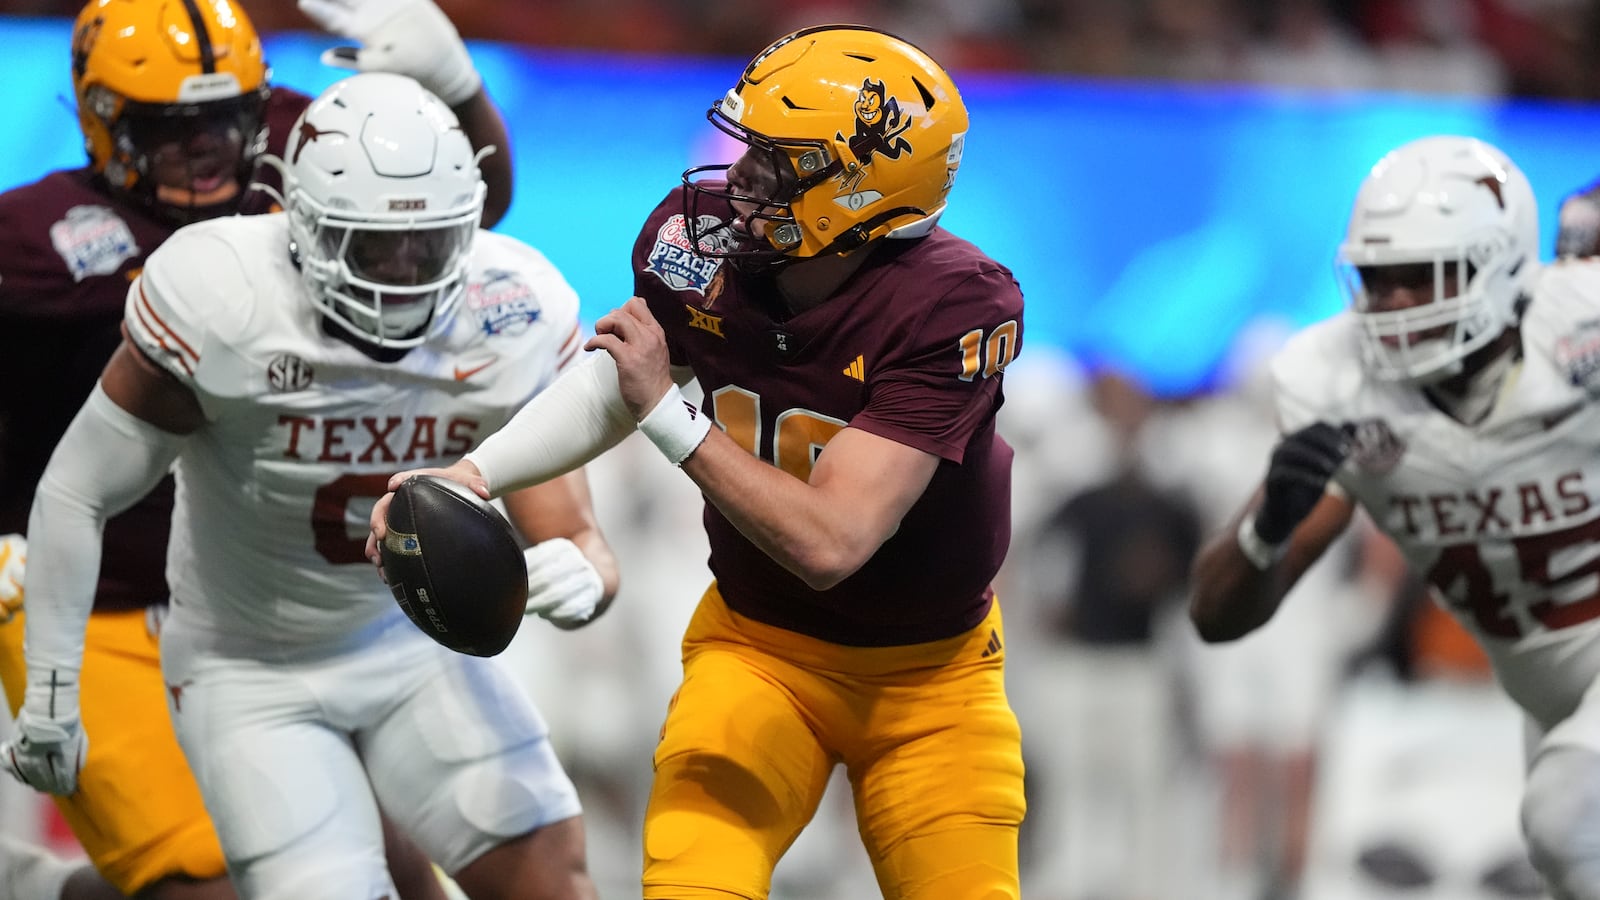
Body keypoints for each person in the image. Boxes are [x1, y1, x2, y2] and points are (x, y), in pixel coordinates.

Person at [369, 24, 1029, 899]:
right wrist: (477, 475)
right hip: (758, 651)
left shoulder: (953, 305)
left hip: (929, 682)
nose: (742, 176)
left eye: (780, 161)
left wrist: (670, 415)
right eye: (750, 145)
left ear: (865, 189)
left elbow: (832, 542)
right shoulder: (697, 238)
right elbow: (620, 380)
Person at [2, 70, 619, 900]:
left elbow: (577, 537)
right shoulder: (223, 296)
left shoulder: (514, 307)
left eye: (428, 242)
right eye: (374, 243)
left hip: (409, 646)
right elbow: (78, 490)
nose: (403, 269)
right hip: (250, 668)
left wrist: (583, 574)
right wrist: (50, 692)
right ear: (302, 224)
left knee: (552, 880)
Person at [1189, 133, 1600, 899]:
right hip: (1549, 687)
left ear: (1499, 266)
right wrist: (1266, 528)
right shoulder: (1334, 379)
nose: (1393, 304)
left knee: (1565, 817)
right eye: (1378, 279)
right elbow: (1216, 617)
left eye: (1421, 277)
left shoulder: (1577, 325)